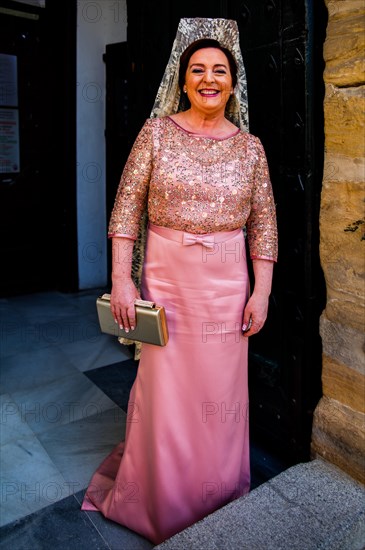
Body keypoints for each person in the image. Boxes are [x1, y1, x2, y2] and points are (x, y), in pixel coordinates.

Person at [81, 17, 278, 545]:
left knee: (220, 394)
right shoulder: (156, 133)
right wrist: (123, 282)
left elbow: (264, 225)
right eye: (198, 70)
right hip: (166, 282)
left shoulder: (251, 148)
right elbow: (126, 211)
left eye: (219, 70)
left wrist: (261, 292)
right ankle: (159, 501)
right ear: (183, 80)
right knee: (165, 391)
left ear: (233, 82)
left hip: (227, 286)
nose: (209, 79)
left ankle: (215, 496)